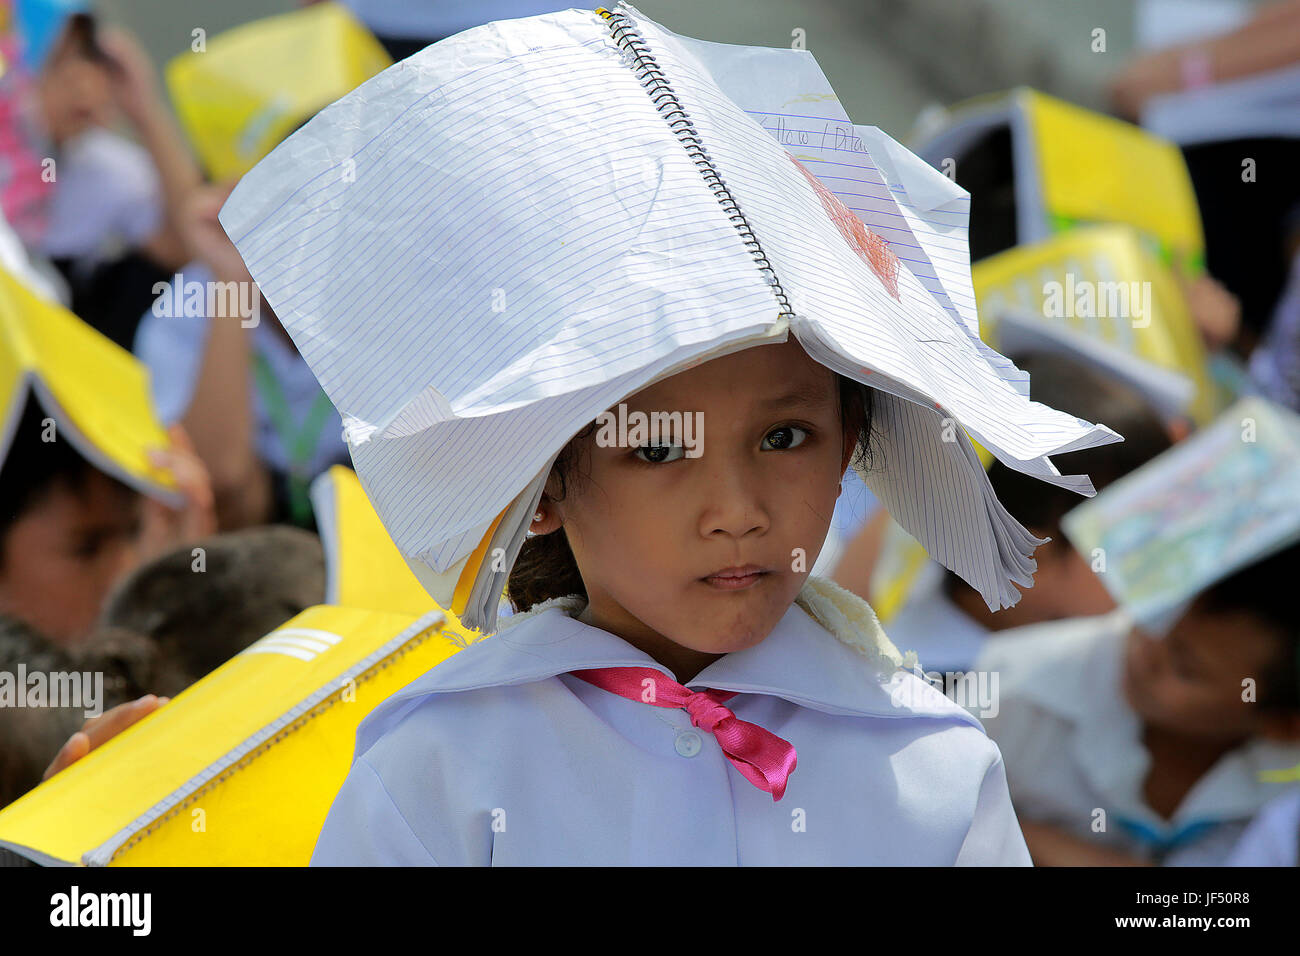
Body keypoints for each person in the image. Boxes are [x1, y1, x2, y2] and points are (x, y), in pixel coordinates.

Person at [220, 7, 1121, 865]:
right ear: (539, 491)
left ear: (852, 445)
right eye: (656, 450)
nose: (737, 512)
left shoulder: (933, 769)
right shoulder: (440, 768)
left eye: (784, 438)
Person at [978, 541, 1300, 866]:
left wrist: (1013, 831)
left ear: (1285, 727)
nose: (1148, 648)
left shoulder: (1287, 786)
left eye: (1185, 669)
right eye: (1159, 616)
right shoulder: (1014, 689)